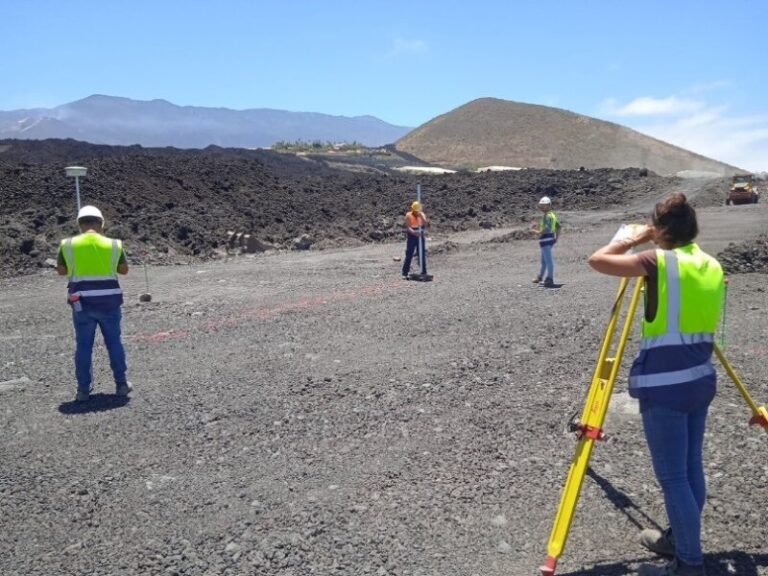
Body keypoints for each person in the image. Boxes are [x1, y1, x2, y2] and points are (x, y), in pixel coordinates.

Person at [587, 193, 724, 576]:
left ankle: (688, 564)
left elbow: (598, 260)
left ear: (660, 229)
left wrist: (632, 238)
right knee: (691, 467)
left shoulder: (656, 261)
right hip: (699, 379)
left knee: (674, 477)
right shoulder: (710, 264)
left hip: (665, 386)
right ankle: (680, 541)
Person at [57, 205, 133, 402]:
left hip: (82, 303)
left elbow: (61, 271)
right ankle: (121, 384)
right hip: (110, 302)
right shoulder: (114, 244)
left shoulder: (67, 244)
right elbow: (124, 270)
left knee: (83, 346)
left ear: (80, 224)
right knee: (114, 343)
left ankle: (83, 390)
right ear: (101, 223)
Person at [532, 196, 560, 287]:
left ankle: (550, 279)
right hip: (550, 239)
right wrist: (556, 238)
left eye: (544, 205)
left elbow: (546, 228)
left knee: (548, 261)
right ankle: (540, 276)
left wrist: (537, 232)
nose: (542, 207)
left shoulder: (547, 216)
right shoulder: (552, 215)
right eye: (541, 205)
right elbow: (558, 227)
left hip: (545, 239)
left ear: (549, 205)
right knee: (544, 261)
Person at [401, 200, 428, 279]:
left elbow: (426, 224)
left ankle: (423, 271)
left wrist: (421, 216)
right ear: (412, 209)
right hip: (412, 236)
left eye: (417, 211)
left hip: (420, 236)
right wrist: (415, 233)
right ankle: (405, 272)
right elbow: (408, 227)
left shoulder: (421, 215)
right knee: (409, 254)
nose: (416, 212)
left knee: (421, 254)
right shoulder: (408, 215)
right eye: (415, 210)